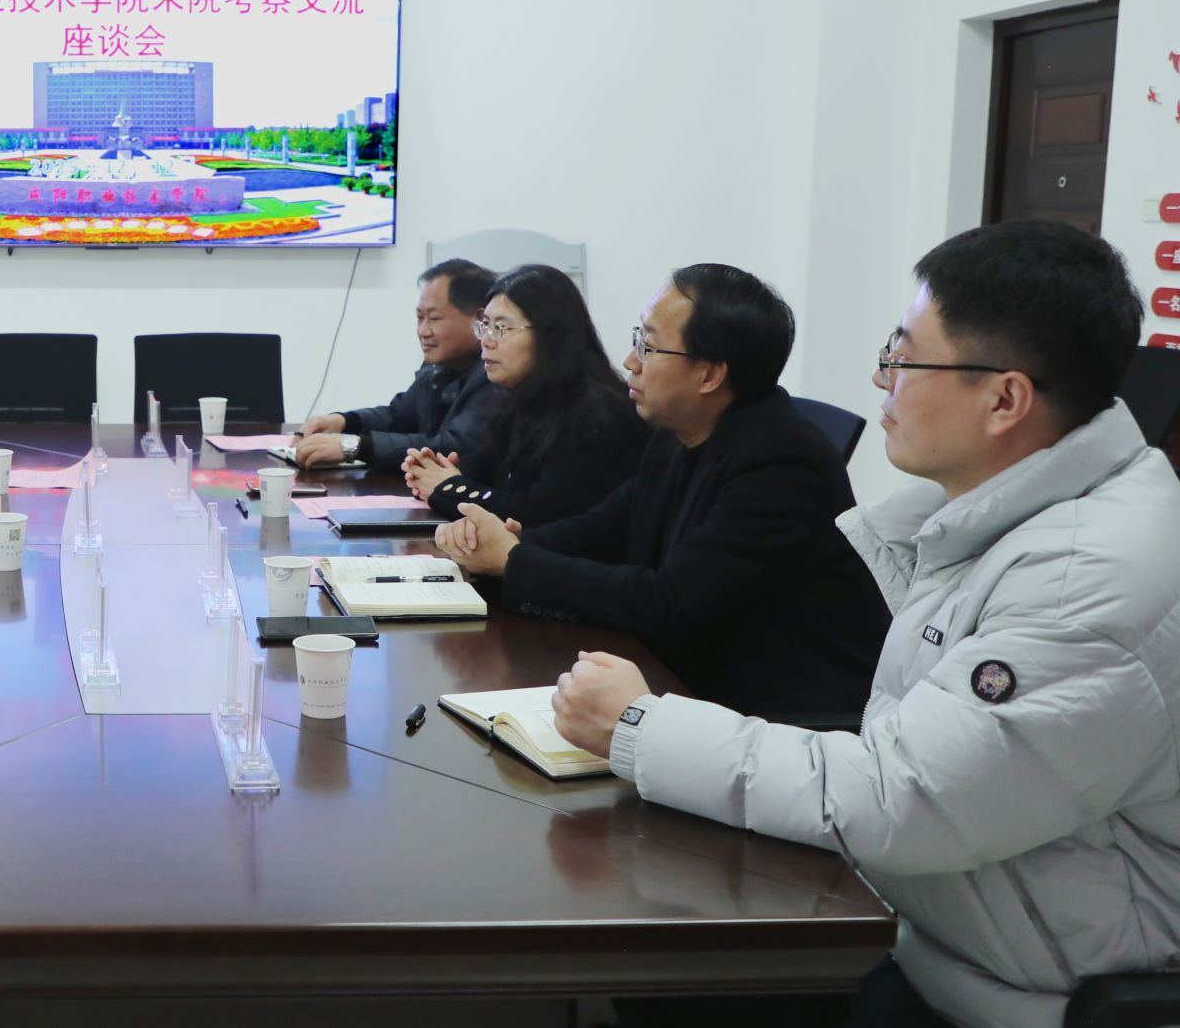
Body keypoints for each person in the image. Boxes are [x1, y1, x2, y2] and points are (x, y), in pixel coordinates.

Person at [554, 222, 1180, 1028]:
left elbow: (899, 797)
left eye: (904, 357)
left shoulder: (1082, 579)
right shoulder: (986, 507)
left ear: (1004, 399)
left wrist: (642, 726)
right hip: (936, 919)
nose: (881, 379)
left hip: (1016, 986)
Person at [435, 263, 886, 720]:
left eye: (648, 347)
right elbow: (603, 528)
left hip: (780, 718)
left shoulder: (783, 463)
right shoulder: (679, 432)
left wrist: (514, 560)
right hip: (690, 681)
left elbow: (669, 602)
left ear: (709, 375)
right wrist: (504, 546)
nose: (630, 361)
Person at [403, 263, 645, 524]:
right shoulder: (521, 397)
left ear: (549, 335)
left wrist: (447, 487)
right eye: (485, 326)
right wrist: (439, 471)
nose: (486, 341)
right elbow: (488, 468)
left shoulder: (594, 414)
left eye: (501, 328)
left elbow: (535, 512)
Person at [289, 258, 503, 469]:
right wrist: (343, 421)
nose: (423, 331)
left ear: (480, 319)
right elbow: (398, 416)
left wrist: (353, 447)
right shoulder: (437, 367)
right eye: (419, 318)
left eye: (434, 318)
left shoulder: (495, 374)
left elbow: (453, 448)